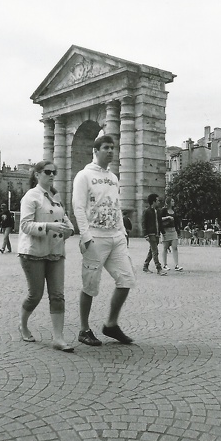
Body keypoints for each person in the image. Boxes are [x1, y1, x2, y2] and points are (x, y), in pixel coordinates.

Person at [72, 134, 135, 347]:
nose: (110, 151)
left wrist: (123, 233)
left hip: (115, 236)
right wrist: (85, 235)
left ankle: (111, 324)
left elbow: (116, 206)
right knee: (90, 285)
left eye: (112, 148)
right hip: (95, 236)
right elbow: (78, 207)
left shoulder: (114, 177)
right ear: (95, 150)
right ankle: (84, 329)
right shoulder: (83, 175)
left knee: (126, 280)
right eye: (106, 147)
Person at [18, 160, 75, 352]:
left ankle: (58, 338)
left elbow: (63, 217)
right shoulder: (30, 197)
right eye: (48, 172)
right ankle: (23, 324)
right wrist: (49, 227)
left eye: (54, 172)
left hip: (55, 251)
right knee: (35, 295)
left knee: (58, 295)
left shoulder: (55, 196)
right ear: (37, 174)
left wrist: (70, 228)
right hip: (34, 252)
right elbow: (25, 225)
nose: (52, 175)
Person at [142, 193, 167, 275]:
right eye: (157, 200)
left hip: (156, 234)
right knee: (155, 251)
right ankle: (158, 268)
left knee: (151, 251)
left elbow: (160, 223)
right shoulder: (147, 211)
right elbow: (144, 223)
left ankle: (145, 266)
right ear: (153, 201)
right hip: (151, 233)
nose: (159, 202)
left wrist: (163, 232)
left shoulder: (158, 211)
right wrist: (145, 234)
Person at [160, 197, 183, 271]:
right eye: (172, 201)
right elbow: (159, 219)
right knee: (165, 248)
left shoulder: (174, 211)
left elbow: (176, 222)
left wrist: (178, 230)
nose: (174, 202)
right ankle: (165, 265)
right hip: (166, 231)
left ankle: (176, 265)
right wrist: (168, 217)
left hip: (173, 230)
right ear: (169, 202)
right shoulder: (163, 210)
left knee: (175, 247)